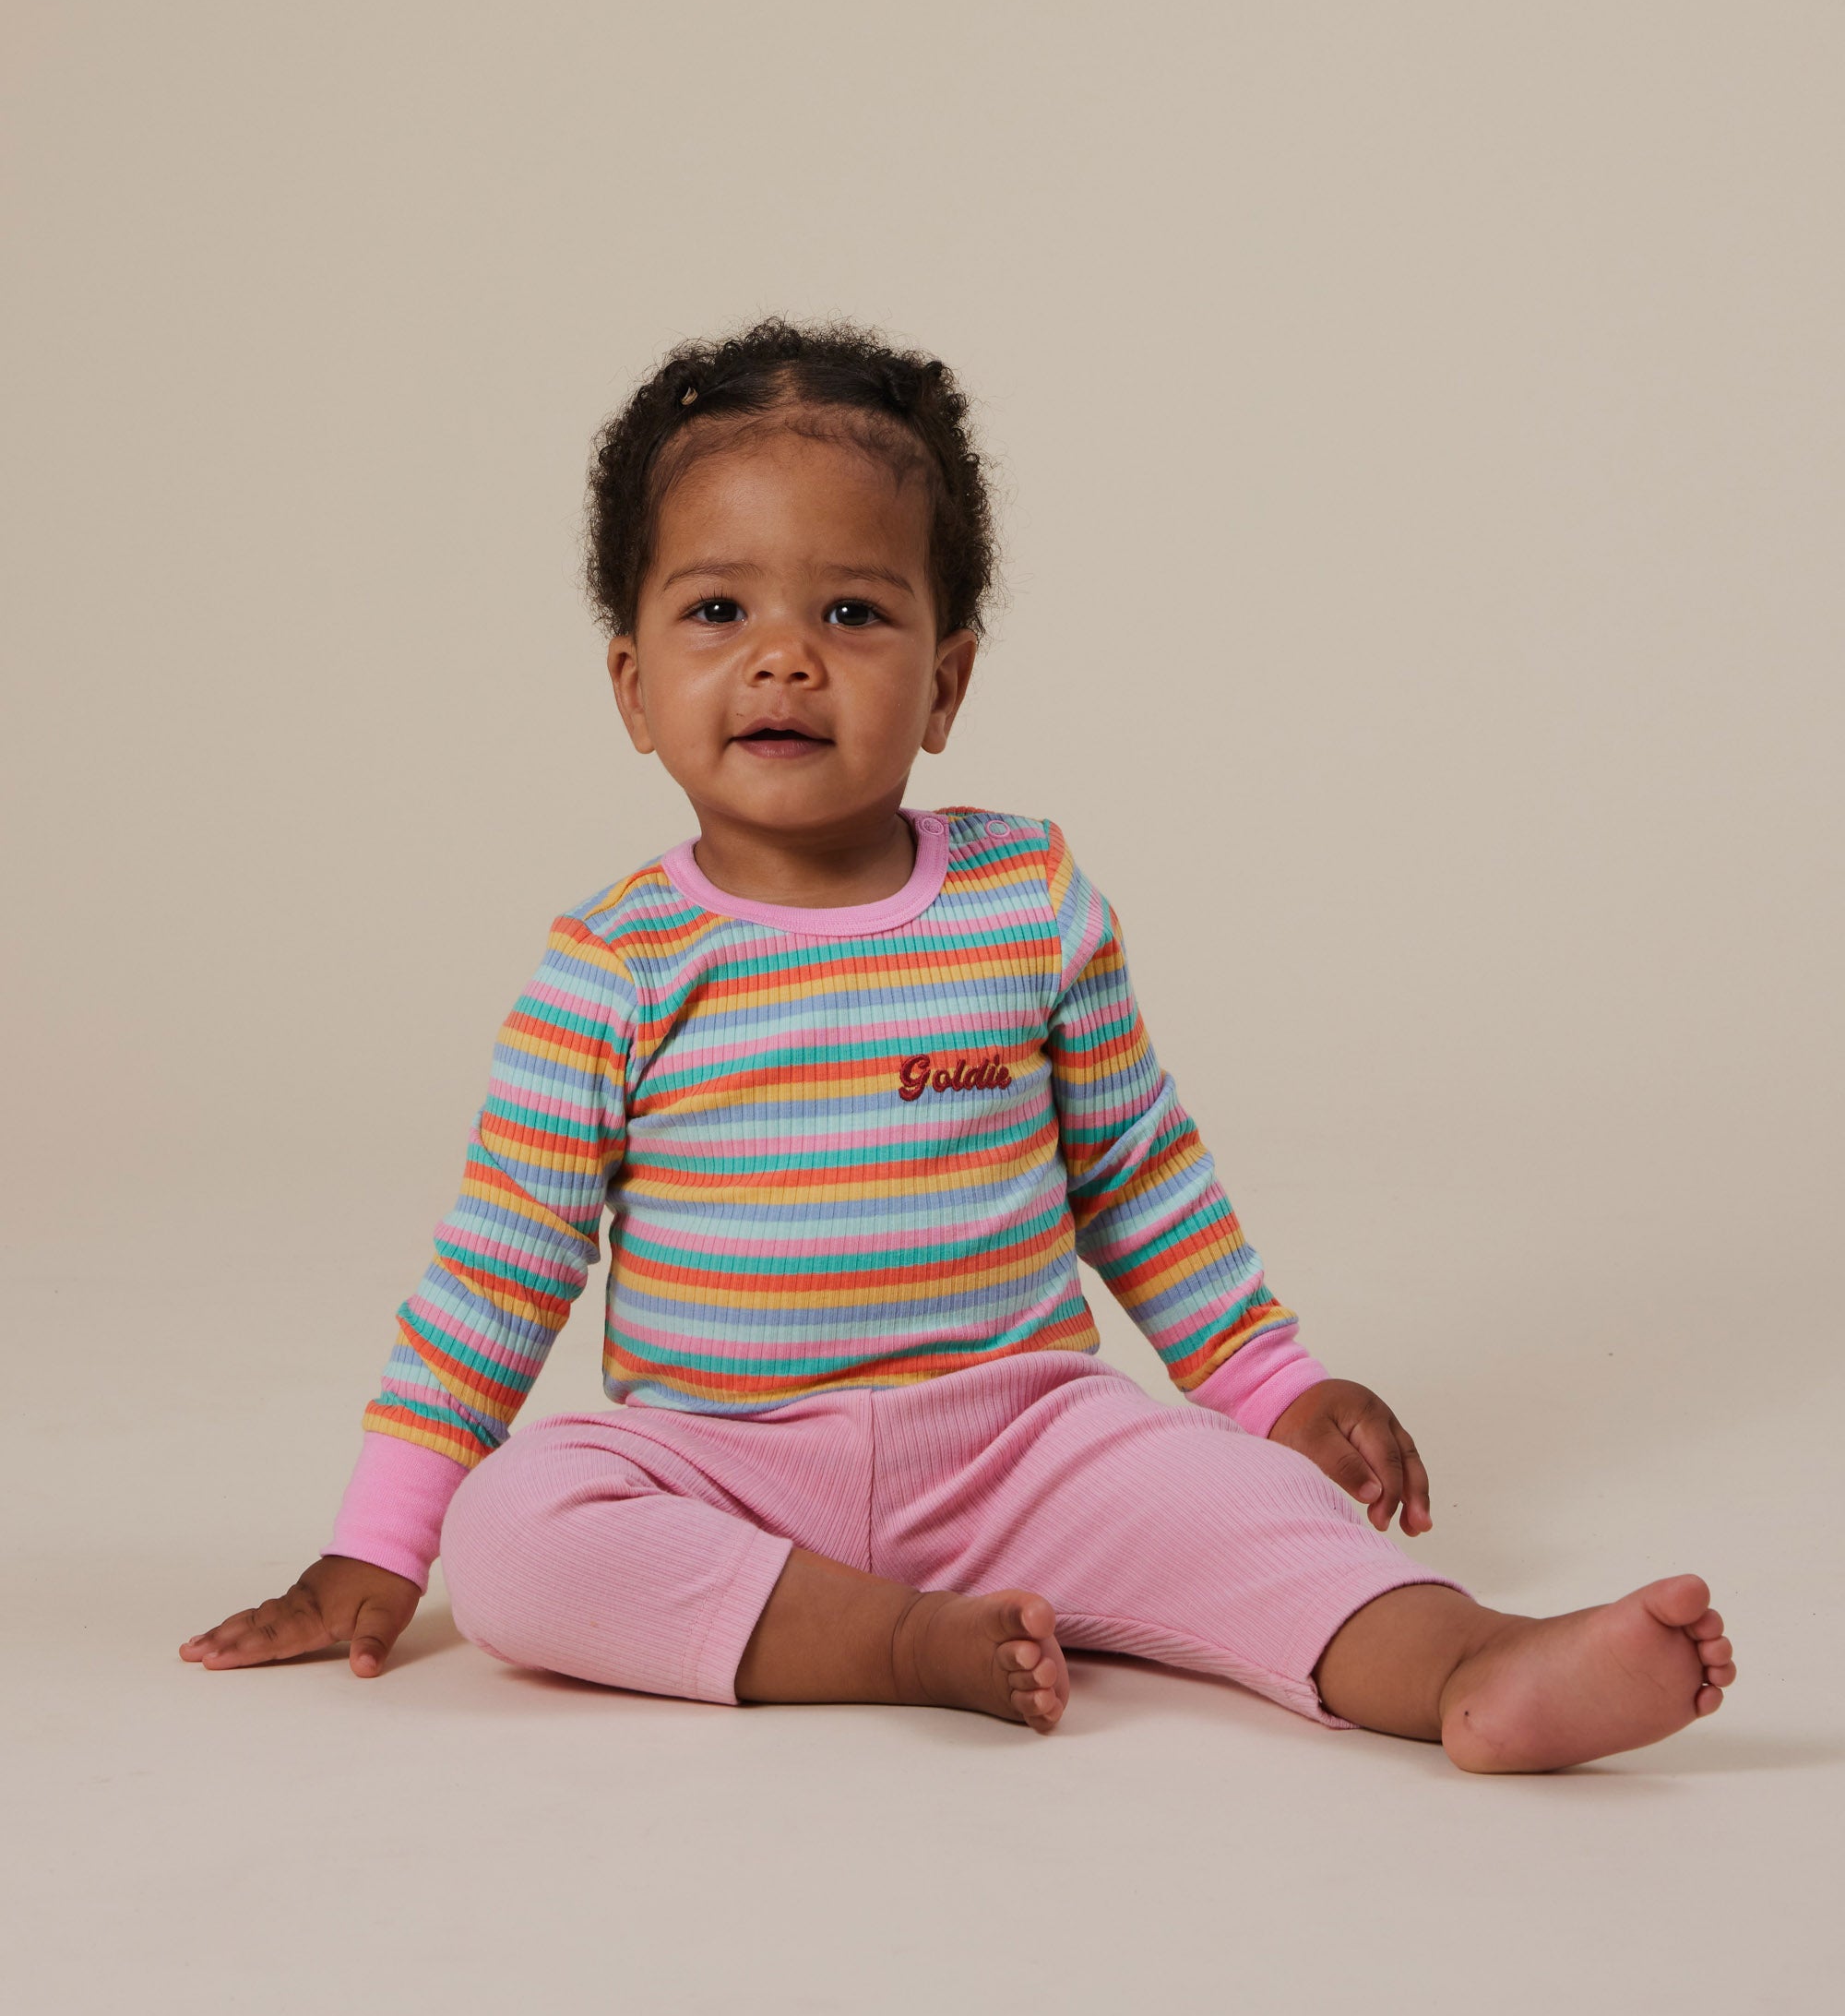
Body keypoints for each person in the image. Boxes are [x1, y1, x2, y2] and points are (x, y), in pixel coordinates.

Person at [179, 320, 1735, 1768]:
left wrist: (1269, 1382)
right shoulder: (615, 964)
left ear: (947, 680)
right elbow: (500, 1267)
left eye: (852, 612)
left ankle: (1478, 1665)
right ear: (634, 686)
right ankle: (894, 1644)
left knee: (1258, 1512)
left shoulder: (1024, 897)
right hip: (725, 1466)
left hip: (1025, 1442)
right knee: (520, 1538)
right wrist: (384, 1543)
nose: (785, 656)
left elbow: (1138, 1175)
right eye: (719, 611)